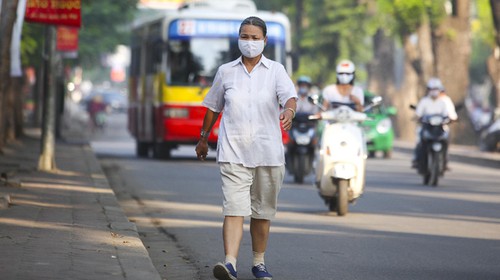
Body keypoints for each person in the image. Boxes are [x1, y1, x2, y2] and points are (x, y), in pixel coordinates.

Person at [195, 16, 297, 280]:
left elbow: (290, 97)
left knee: (262, 213)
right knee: (234, 209)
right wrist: (204, 137)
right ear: (238, 38)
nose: (249, 42)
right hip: (233, 151)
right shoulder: (226, 71)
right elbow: (213, 107)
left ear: (264, 40)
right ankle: (229, 263)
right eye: (244, 36)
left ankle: (258, 263)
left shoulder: (276, 70)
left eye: (254, 38)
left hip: (268, 153)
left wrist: (289, 111)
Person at [412, 77, 456, 168]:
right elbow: (418, 113)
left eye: (436, 89)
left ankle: (445, 159)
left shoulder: (444, 101)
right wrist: (418, 118)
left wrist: (451, 118)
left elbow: (450, 113)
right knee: (419, 138)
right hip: (427, 126)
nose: (434, 91)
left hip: (440, 126)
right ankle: (417, 158)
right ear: (428, 90)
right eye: (432, 89)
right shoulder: (424, 101)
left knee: (447, 137)